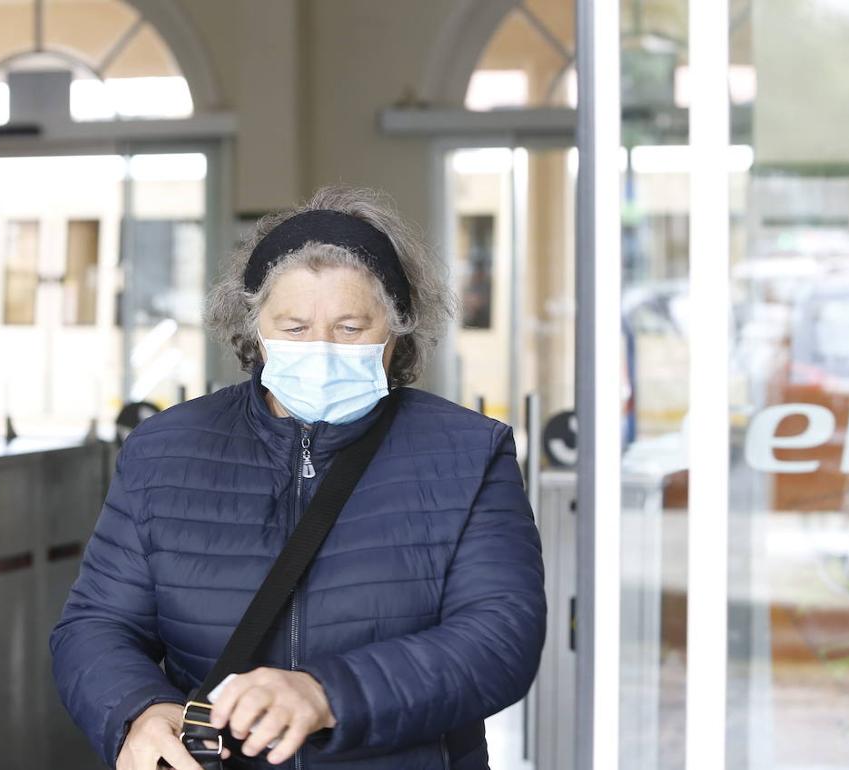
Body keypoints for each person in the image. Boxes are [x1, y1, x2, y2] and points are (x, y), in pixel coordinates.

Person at [51, 185, 547, 770]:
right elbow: (97, 625)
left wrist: (326, 694)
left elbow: (499, 638)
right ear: (253, 326)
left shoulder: (468, 452)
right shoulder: (163, 451)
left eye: (350, 327)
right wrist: (136, 709)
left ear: (397, 331)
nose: (321, 348)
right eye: (293, 327)